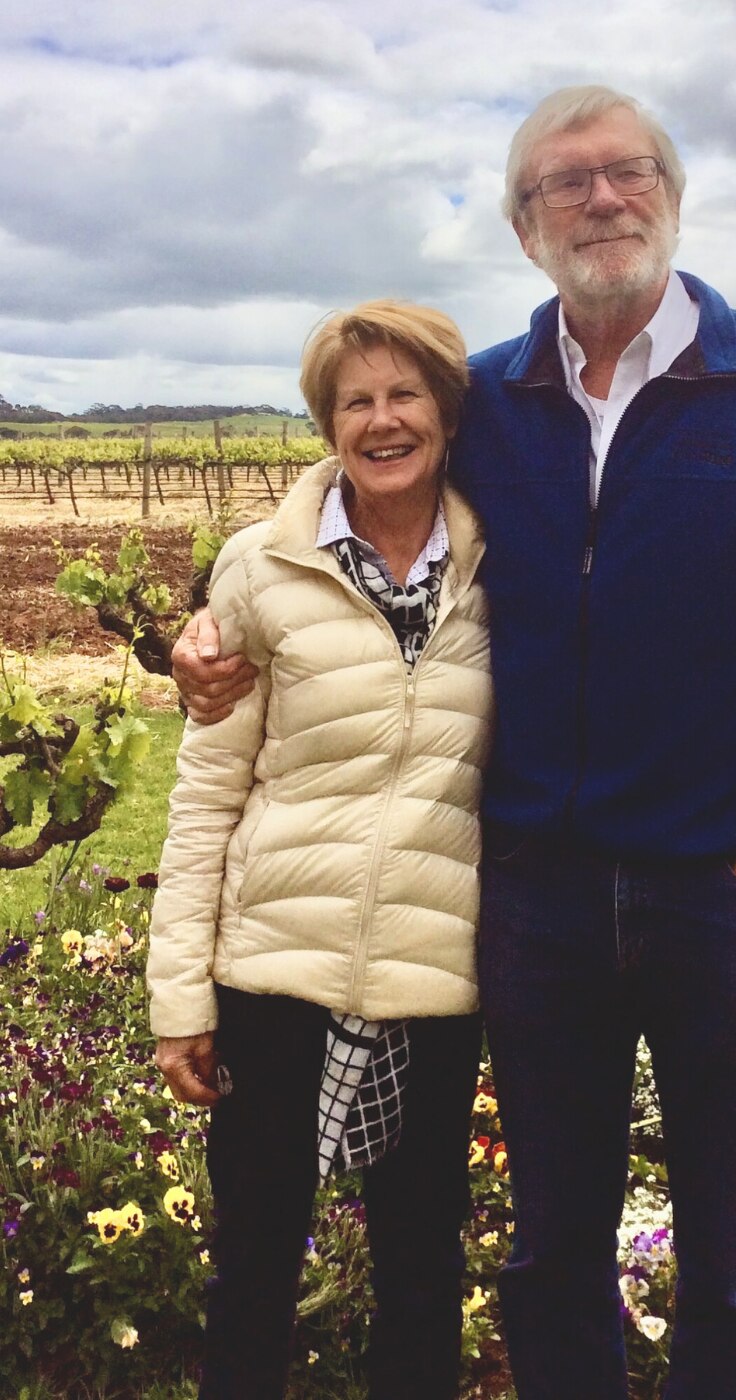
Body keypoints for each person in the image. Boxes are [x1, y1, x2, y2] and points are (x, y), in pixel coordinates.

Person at [175, 86, 736, 1400]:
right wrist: (211, 635)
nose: (603, 200)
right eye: (565, 184)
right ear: (525, 227)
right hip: (535, 896)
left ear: (673, 193)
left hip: (722, 888)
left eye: (627, 171)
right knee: (552, 1247)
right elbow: (361, 510)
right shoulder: (492, 403)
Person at [147, 300, 495, 1400]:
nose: (382, 421)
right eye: (356, 402)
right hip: (273, 975)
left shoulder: (508, 566)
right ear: (327, 422)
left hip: (434, 980)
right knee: (250, 1268)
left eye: (404, 396)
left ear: (444, 411)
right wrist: (179, 1001)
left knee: (422, 1273)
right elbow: (206, 795)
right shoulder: (259, 569)